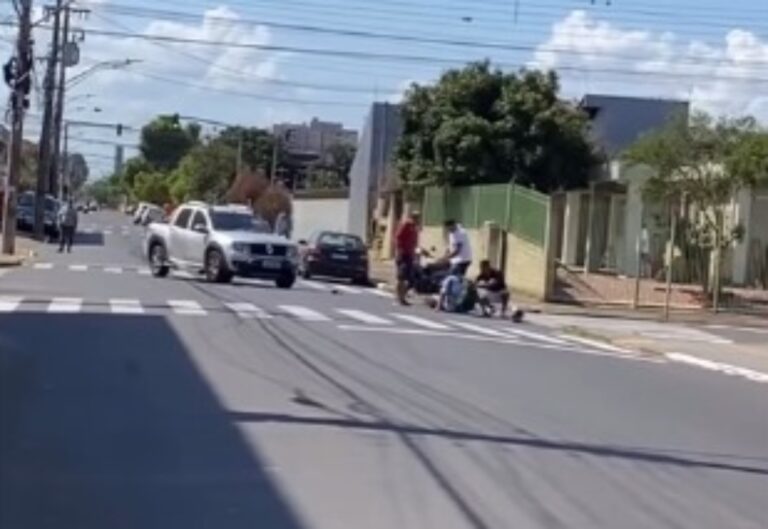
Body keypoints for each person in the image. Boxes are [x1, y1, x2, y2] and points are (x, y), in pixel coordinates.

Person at [395, 211, 420, 306]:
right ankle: (399, 298)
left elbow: (414, 242)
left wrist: (416, 252)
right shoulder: (406, 224)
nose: (418, 219)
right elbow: (398, 237)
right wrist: (400, 250)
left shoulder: (414, 228)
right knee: (401, 277)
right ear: (413, 217)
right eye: (417, 217)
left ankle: (402, 297)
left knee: (409, 278)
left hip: (410, 255)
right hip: (403, 255)